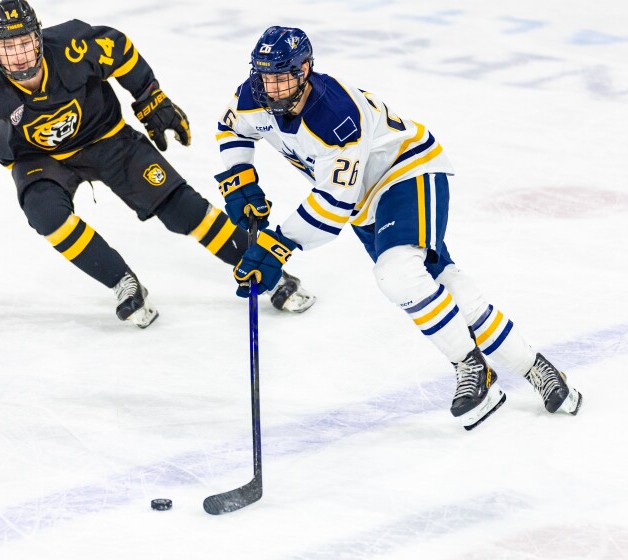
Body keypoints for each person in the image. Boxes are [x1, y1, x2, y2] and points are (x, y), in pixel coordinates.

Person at [214, 26, 582, 430]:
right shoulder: (253, 96)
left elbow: (334, 203)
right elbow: (232, 128)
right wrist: (239, 177)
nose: (272, 87)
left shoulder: (335, 114)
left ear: (305, 69)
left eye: (281, 76)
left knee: (398, 274)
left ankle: (472, 368)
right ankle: (536, 369)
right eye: (265, 75)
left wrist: (278, 244)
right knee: (443, 283)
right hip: (365, 202)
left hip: (407, 172)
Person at [0, 1, 314, 329]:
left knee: (181, 208)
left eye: (25, 42)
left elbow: (119, 49)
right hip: (39, 158)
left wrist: (150, 97)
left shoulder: (72, 45)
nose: (19, 56)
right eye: (7, 47)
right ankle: (122, 281)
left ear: (38, 35)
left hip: (106, 138)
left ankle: (266, 271)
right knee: (44, 212)